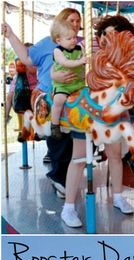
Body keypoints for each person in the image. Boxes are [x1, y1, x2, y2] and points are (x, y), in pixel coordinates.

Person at [60, 14, 134, 227]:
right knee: (78, 157)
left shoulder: (127, 58)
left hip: (114, 111)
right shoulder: (96, 54)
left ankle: (118, 196)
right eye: (104, 33)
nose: (107, 38)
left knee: (114, 154)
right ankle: (68, 207)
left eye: (112, 34)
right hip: (91, 108)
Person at [2, 8, 83, 191]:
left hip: (75, 94)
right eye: (72, 20)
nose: (76, 24)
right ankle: (57, 176)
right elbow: (27, 58)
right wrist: (11, 35)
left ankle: (70, 172)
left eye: (78, 21)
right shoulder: (48, 43)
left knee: (83, 133)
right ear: (61, 22)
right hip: (48, 92)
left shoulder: (81, 45)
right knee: (59, 136)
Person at [50, 19, 88, 139]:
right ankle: (54, 124)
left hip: (78, 83)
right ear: (58, 40)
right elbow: (65, 62)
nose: (73, 40)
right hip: (64, 85)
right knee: (59, 100)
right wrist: (80, 61)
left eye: (74, 37)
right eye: (69, 38)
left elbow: (85, 60)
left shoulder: (78, 48)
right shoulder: (58, 51)